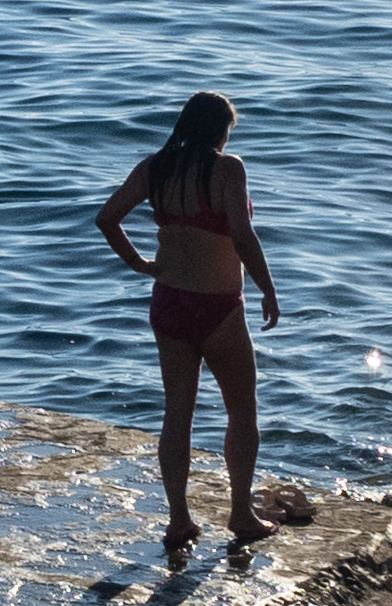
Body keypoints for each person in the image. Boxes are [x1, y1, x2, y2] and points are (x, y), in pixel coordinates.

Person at [97, 90, 282, 549]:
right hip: (218, 306)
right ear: (221, 130)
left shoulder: (154, 168)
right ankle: (241, 514)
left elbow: (107, 218)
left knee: (177, 412)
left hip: (169, 302)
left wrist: (141, 264)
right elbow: (241, 233)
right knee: (241, 408)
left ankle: (179, 520)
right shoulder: (227, 169)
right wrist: (268, 288)